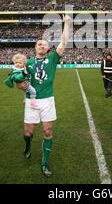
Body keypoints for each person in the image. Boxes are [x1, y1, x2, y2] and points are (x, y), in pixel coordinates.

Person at [17, 15, 72, 177]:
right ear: (35, 47)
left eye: (44, 44)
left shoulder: (53, 58)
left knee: (47, 131)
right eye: (39, 43)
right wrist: (21, 86)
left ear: (48, 49)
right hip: (32, 101)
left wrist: (67, 24)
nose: (41, 45)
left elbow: (63, 43)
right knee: (28, 133)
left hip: (48, 100)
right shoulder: (27, 63)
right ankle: (27, 145)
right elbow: (19, 83)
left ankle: (44, 162)